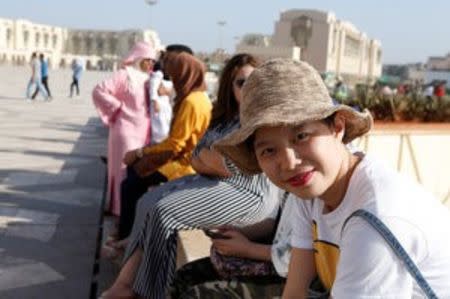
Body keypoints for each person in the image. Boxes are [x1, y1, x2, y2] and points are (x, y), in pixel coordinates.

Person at [215, 58, 450, 298]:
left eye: (302, 136)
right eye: (269, 150)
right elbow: (295, 291)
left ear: (337, 128)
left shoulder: (374, 217)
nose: (289, 163)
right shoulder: (310, 193)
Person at [100, 54, 280, 299]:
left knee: (165, 212)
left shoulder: (262, 121)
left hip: (250, 195)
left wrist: (212, 160)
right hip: (217, 184)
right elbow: (198, 157)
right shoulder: (226, 119)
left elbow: (234, 165)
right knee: (147, 202)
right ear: (230, 85)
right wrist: (212, 161)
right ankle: (125, 283)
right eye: (240, 83)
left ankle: (145, 292)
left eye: (253, 81)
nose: (247, 89)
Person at [92, 41, 157, 216]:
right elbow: (99, 91)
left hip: (144, 133)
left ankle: (131, 208)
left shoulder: (152, 78)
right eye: (148, 60)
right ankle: (118, 208)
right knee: (122, 170)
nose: (151, 64)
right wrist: (118, 108)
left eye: (153, 61)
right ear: (139, 58)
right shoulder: (124, 75)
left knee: (137, 172)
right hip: (125, 131)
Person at [148, 58, 173, 145]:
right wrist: (155, 102)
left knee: (165, 123)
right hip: (159, 104)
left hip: (165, 105)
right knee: (160, 124)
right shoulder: (157, 75)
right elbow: (153, 89)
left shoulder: (166, 78)